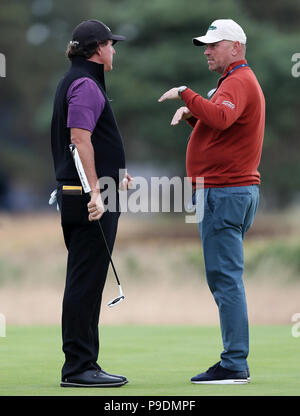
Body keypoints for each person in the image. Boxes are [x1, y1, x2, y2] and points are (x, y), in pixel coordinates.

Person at [158, 19, 265, 384]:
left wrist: (186, 94)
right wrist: (193, 117)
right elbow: (223, 128)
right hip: (227, 191)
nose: (206, 50)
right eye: (206, 45)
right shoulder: (235, 80)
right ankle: (234, 360)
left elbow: (220, 117)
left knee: (225, 279)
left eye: (214, 45)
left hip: (223, 192)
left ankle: (235, 363)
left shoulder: (237, 80)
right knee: (225, 278)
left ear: (235, 46)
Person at [51, 19, 132, 387]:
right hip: (87, 199)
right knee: (85, 281)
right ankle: (79, 368)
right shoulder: (85, 83)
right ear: (98, 48)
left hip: (86, 193)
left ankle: (85, 364)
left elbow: (93, 141)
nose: (114, 50)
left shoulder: (79, 80)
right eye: (111, 45)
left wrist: (115, 175)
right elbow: (79, 140)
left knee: (87, 280)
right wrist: (97, 192)